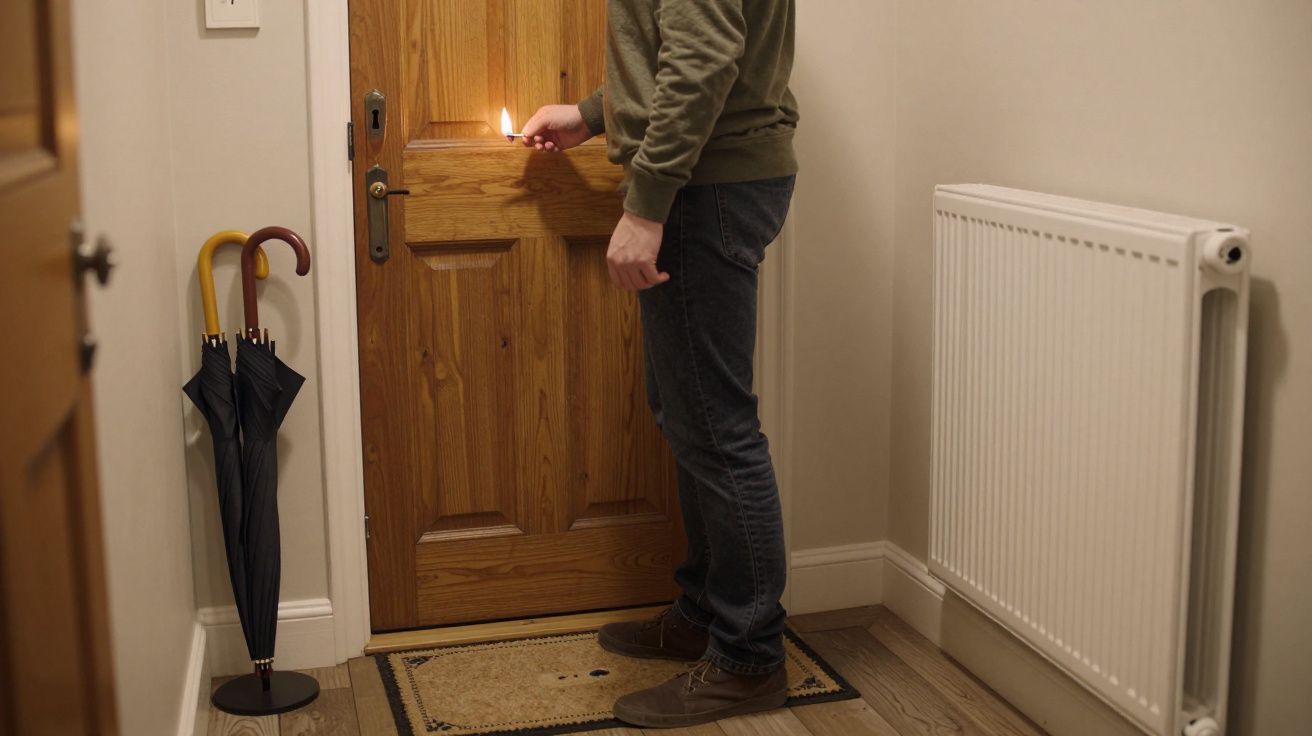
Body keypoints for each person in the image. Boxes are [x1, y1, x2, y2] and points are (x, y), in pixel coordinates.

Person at [519, 0, 799, 727]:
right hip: (710, 178)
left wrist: (646, 205)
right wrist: (591, 114)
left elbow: (703, 58)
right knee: (689, 417)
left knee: (716, 429)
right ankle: (706, 615)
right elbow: (677, 47)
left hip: (704, 187)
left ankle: (748, 658)